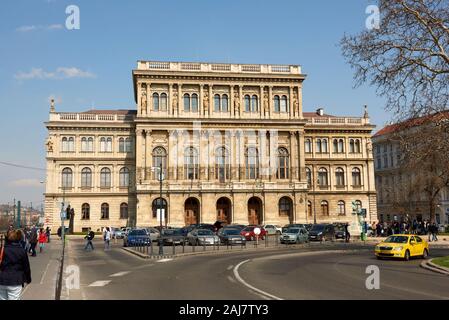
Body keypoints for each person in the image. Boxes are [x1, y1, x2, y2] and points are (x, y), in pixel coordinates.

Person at [0, 229, 32, 300]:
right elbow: (26, 267)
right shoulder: (21, 251)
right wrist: (28, 279)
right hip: (15, 280)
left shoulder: (2, 249)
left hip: (2, 279)